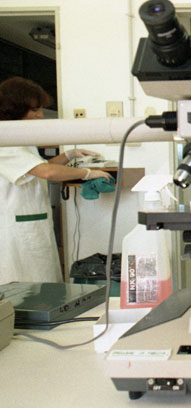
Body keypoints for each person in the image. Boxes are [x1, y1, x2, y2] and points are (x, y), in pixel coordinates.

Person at [0, 76, 112, 284]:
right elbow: (46, 172)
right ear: (14, 109)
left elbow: (37, 167)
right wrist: (86, 173)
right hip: (15, 232)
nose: (40, 115)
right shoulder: (4, 140)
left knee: (43, 285)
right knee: (24, 287)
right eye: (34, 110)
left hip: (32, 223)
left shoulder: (19, 137)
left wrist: (70, 155)